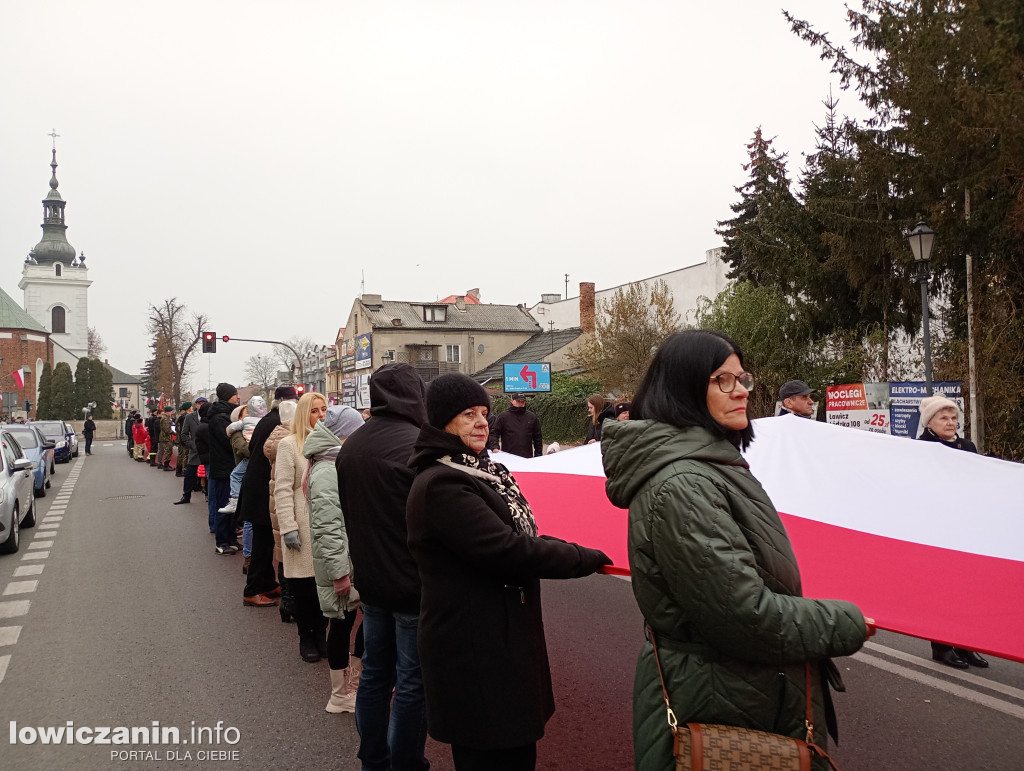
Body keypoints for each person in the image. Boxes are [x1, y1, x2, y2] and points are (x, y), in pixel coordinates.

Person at [601, 330, 871, 771]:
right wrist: (845, 622)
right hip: (715, 702)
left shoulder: (711, 466)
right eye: (722, 380)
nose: (742, 389)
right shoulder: (683, 486)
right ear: (685, 389)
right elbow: (743, 615)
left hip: (733, 693)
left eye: (742, 377)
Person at [407, 374, 611, 770]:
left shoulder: (479, 471)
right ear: (441, 421)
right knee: (492, 754)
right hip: (474, 649)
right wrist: (583, 557)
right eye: (468, 414)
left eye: (484, 412)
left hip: (495, 640)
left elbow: (515, 534)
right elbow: (507, 549)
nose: (482, 422)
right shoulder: (443, 483)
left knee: (515, 751)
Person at [335, 363, 430, 771]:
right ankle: (407, 763)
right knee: (412, 683)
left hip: (371, 579)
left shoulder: (353, 445)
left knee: (375, 674)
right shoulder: (418, 445)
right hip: (412, 582)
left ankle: (373, 757)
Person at [917, 394, 988, 670]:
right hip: (937, 529)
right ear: (930, 422)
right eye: (944, 418)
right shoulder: (921, 449)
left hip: (966, 527)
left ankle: (966, 644)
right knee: (943, 590)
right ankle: (942, 646)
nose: (951, 422)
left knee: (968, 590)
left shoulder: (966, 446)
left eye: (954, 417)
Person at [304, 404, 366, 712]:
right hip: (341, 566)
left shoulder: (329, 462)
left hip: (346, 562)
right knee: (342, 625)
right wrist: (340, 574)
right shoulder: (328, 470)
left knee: (350, 623)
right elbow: (328, 529)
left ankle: (353, 685)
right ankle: (341, 694)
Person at [272, 392, 332, 663]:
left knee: (324, 586)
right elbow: (282, 489)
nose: (320, 416)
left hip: (327, 521)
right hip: (302, 521)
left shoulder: (331, 443)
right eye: (314, 411)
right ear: (302, 413)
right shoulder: (289, 444)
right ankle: (306, 637)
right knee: (304, 586)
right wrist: (288, 527)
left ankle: (322, 634)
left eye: (323, 410)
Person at [240, 386, 297, 609]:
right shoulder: (278, 423)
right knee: (263, 543)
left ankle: (266, 583)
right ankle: (252, 590)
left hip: (258, 486)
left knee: (265, 540)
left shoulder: (268, 419)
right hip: (263, 489)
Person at [207, 384, 241, 555]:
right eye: (235, 395)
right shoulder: (220, 418)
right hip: (223, 468)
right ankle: (221, 542)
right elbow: (228, 442)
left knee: (233, 505)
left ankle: (231, 538)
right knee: (224, 505)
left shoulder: (227, 415)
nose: (238, 397)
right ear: (228, 396)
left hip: (230, 467)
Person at [175, 402, 193, 476]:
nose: (192, 408)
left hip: (180, 438)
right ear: (188, 408)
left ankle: (179, 470)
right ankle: (184, 470)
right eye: (191, 407)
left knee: (181, 454)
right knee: (186, 455)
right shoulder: (187, 417)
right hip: (185, 439)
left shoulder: (180, 417)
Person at [157, 405, 176, 470]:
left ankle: (167, 464)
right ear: (168, 411)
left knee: (169, 451)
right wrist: (175, 433)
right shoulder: (165, 418)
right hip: (166, 437)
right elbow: (167, 429)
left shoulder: (166, 418)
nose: (172, 412)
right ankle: (166, 465)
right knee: (168, 451)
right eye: (171, 411)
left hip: (166, 437)